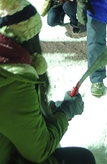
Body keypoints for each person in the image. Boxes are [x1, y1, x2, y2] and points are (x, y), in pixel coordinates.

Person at [0, 28, 96, 164]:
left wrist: (49, 109)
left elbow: (17, 116)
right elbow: (40, 149)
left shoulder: (6, 71)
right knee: (83, 159)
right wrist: (65, 111)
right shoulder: (13, 80)